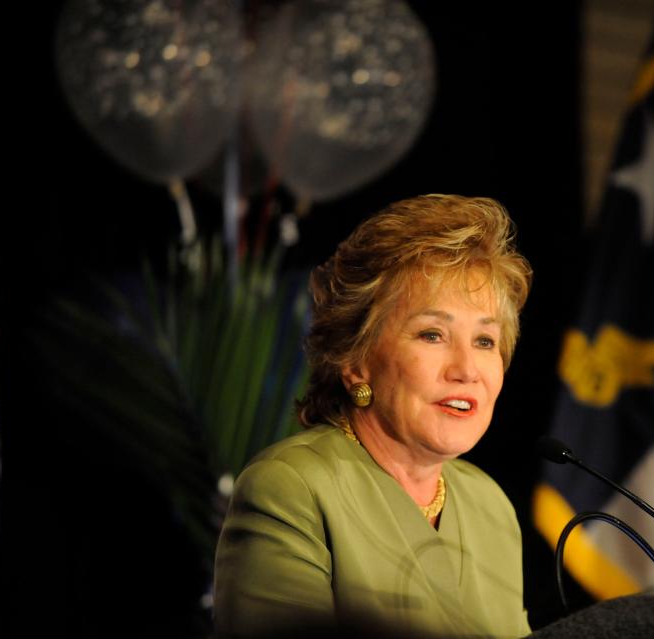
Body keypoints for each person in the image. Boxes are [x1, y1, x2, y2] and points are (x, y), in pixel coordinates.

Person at [213, 194, 533, 638]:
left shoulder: (489, 505)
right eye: (432, 334)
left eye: (484, 341)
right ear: (356, 360)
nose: (466, 370)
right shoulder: (291, 489)